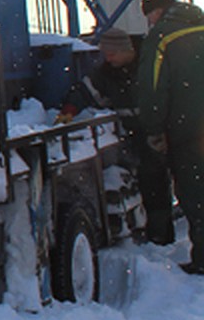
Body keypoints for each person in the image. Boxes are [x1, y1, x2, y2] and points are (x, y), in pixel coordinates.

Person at [59, 26, 174, 244]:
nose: (108, 58)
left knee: (165, 185)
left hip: (162, 133)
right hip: (136, 138)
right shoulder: (106, 74)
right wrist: (69, 111)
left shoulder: (150, 66)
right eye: (105, 54)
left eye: (111, 54)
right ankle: (156, 236)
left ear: (125, 50)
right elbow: (84, 92)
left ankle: (164, 237)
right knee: (150, 183)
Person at [138, 0, 204, 272]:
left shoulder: (162, 36)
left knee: (196, 195)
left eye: (149, 16)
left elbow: (152, 87)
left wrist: (153, 128)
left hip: (187, 130)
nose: (150, 22)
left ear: (158, 11)